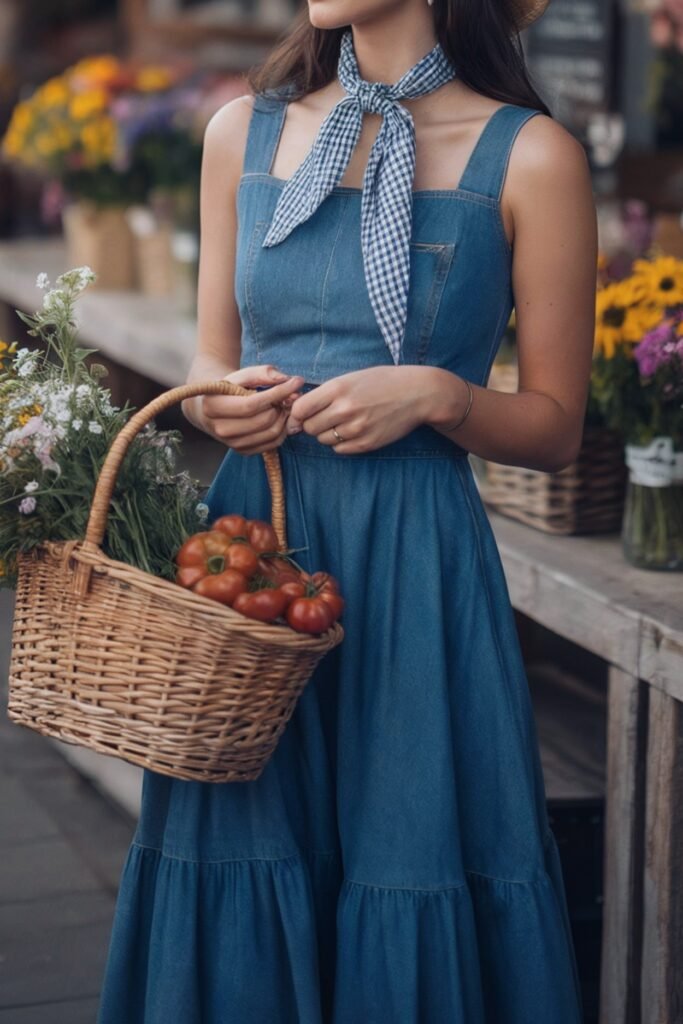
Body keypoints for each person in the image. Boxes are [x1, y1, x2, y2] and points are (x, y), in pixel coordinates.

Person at [96, 1, 597, 1021]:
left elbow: (552, 427)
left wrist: (442, 397)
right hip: (250, 545)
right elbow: (210, 354)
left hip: (415, 560)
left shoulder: (532, 157)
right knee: (239, 834)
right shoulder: (245, 131)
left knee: (407, 845)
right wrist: (221, 396)